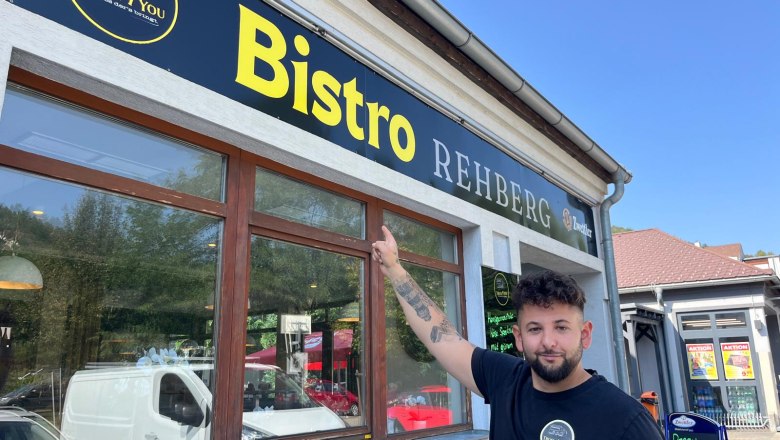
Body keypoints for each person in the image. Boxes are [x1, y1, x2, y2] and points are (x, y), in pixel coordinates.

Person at [372, 225, 663, 439]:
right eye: (535, 329)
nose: (548, 341)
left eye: (561, 327)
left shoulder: (626, 421)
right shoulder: (505, 380)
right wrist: (395, 269)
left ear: (584, 334)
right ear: (519, 337)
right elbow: (443, 337)